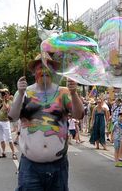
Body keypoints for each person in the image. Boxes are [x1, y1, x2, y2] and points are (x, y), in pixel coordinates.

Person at [9, 52, 84, 191]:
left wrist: (74, 94)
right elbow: (12, 117)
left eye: (48, 67)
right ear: (33, 72)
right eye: (39, 67)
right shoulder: (24, 92)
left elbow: (79, 115)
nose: (44, 70)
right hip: (30, 167)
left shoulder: (64, 92)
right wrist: (19, 94)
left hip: (59, 166)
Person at [0, 89, 17, 159]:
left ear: (8, 94)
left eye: (6, 94)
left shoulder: (10, 101)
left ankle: (14, 153)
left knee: (9, 138)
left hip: (5, 122)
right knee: (1, 138)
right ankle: (3, 153)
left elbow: (6, 108)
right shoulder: (0, 100)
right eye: (4, 94)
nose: (4, 95)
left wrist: (3, 100)